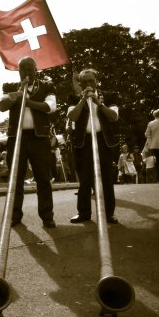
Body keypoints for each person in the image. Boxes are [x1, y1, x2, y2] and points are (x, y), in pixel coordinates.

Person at [0, 56, 57, 228]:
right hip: (16, 138)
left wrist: (27, 102)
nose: (26, 73)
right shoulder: (10, 87)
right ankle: (14, 216)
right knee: (15, 178)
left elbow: (50, 107)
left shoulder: (47, 86)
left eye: (30, 69)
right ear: (19, 72)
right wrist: (17, 95)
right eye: (23, 70)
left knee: (43, 178)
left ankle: (47, 216)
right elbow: (2, 106)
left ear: (36, 70)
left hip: (39, 138)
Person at [67, 68, 120, 224]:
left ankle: (108, 214)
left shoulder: (109, 96)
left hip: (103, 140)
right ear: (80, 84)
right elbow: (72, 116)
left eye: (91, 80)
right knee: (84, 179)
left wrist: (99, 103)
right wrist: (83, 100)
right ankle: (83, 213)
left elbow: (114, 117)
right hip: (83, 142)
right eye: (84, 82)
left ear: (97, 81)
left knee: (106, 179)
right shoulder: (74, 98)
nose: (88, 84)